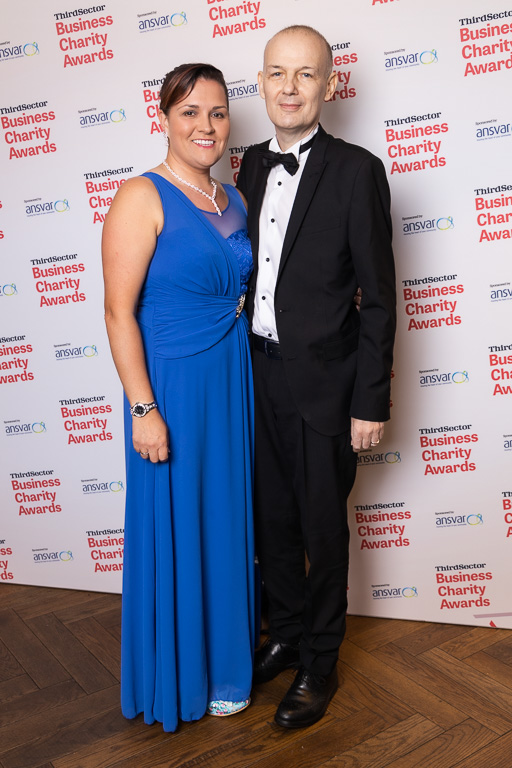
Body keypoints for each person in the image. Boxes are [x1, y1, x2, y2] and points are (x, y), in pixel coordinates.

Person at [236, 25, 396, 729]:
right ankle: (287, 635)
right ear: (262, 83)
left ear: (329, 85)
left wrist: (371, 401)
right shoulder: (247, 164)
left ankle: (320, 663)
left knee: (323, 531)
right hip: (255, 377)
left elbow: (380, 299)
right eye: (278, 73)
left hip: (328, 388)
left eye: (305, 74)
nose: (290, 88)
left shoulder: (358, 171)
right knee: (271, 521)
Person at [102, 63, 255, 733]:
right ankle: (180, 674)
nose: (206, 126)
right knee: (178, 520)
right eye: (190, 111)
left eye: (217, 113)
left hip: (230, 380)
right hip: (170, 386)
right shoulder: (142, 195)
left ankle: (227, 667)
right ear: (164, 117)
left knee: (224, 518)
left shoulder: (233, 198)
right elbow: (118, 312)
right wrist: (143, 409)